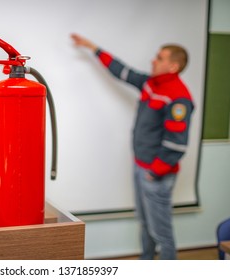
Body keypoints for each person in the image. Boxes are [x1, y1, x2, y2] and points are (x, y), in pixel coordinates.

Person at [71, 33, 194, 260]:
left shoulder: (179, 98)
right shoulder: (151, 83)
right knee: (145, 225)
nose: (153, 60)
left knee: (161, 233)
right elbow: (122, 71)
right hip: (141, 167)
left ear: (173, 66)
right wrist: (93, 47)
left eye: (159, 58)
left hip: (155, 175)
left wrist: (153, 172)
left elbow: (176, 146)